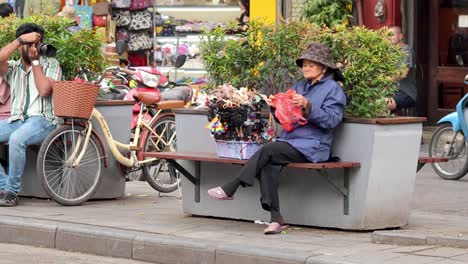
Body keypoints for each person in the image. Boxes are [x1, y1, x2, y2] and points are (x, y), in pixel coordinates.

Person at [207, 42, 347, 234]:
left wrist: (309, 106)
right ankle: (276, 218)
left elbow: (332, 121)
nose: (305, 67)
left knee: (268, 150)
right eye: (304, 64)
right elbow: (287, 119)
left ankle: (233, 186)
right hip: (290, 141)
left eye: (311, 64)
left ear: (324, 68)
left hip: (314, 146)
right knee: (269, 163)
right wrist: (275, 106)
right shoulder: (300, 86)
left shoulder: (333, 90)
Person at [0, 23, 62, 206]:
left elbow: (44, 90)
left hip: (44, 120)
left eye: (37, 43)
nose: (34, 48)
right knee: (17, 133)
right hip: (17, 119)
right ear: (20, 47)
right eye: (30, 44)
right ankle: (3, 187)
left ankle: (11, 192)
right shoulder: (12, 67)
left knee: (17, 139)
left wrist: (35, 62)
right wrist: (20, 40)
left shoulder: (51, 64)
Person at [385, 26, 416, 112]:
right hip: (391, 92)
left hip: (406, 93)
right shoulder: (389, 52)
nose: (389, 38)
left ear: (400, 36)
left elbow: (403, 74)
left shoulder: (406, 50)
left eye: (392, 35)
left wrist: (383, 79)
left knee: (381, 105)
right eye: (387, 36)